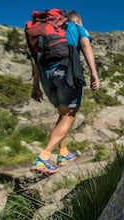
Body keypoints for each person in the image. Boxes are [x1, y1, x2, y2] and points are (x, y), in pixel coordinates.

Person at [30, 10, 100, 174]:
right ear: (77, 20)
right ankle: (43, 158)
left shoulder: (49, 31)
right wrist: (94, 73)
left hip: (46, 77)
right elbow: (85, 45)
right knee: (69, 115)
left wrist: (35, 87)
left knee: (63, 115)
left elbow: (36, 61)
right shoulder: (77, 26)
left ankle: (63, 153)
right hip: (66, 71)